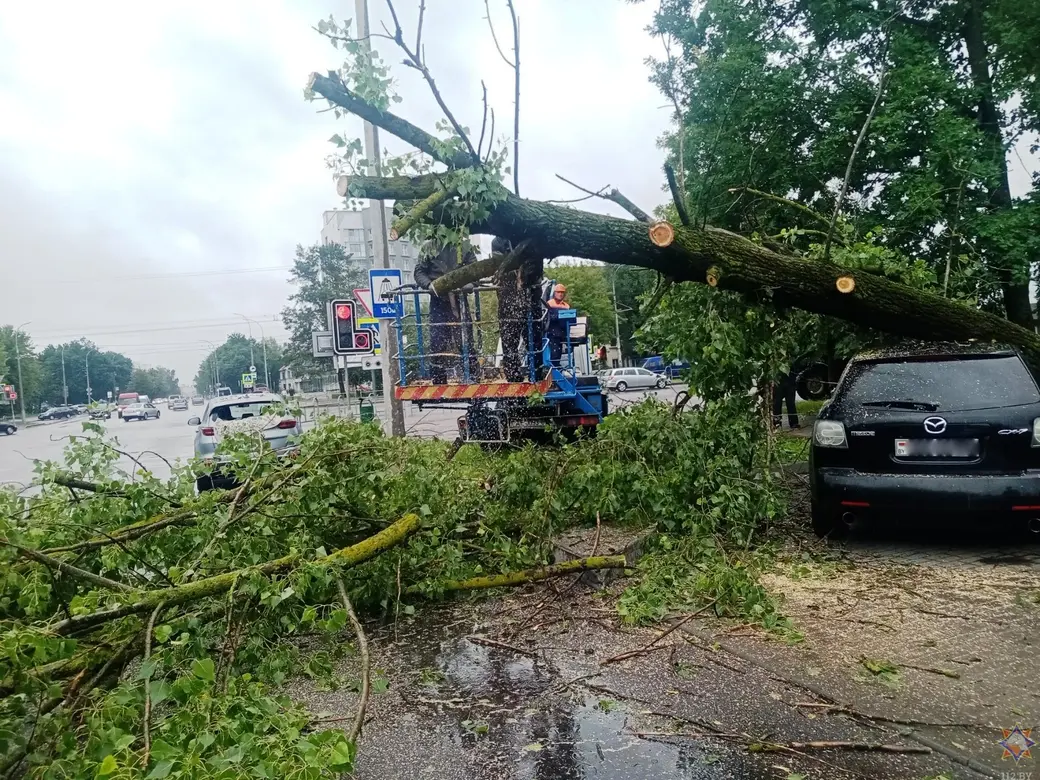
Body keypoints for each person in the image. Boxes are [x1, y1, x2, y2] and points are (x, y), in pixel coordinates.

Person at [414, 240, 477, 383]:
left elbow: (475, 270)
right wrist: (429, 285)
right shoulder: (429, 247)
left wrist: (470, 284)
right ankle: (438, 378)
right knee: (438, 340)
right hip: (438, 300)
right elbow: (419, 272)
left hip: (460, 298)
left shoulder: (465, 246)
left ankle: (472, 375)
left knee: (465, 338)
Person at [492, 236, 543, 382]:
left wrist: (524, 277)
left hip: (531, 296)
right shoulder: (498, 242)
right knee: (509, 339)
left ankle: (537, 372)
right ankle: (513, 374)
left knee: (534, 336)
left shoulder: (530, 238)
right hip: (507, 298)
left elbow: (536, 268)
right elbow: (497, 265)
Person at [545, 283, 571, 368]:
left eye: (562, 292)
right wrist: (559, 316)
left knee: (559, 353)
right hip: (553, 333)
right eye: (558, 292)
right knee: (554, 353)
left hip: (562, 333)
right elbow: (549, 318)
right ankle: (554, 369)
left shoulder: (566, 306)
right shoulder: (549, 304)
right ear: (555, 293)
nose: (560, 294)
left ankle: (557, 367)